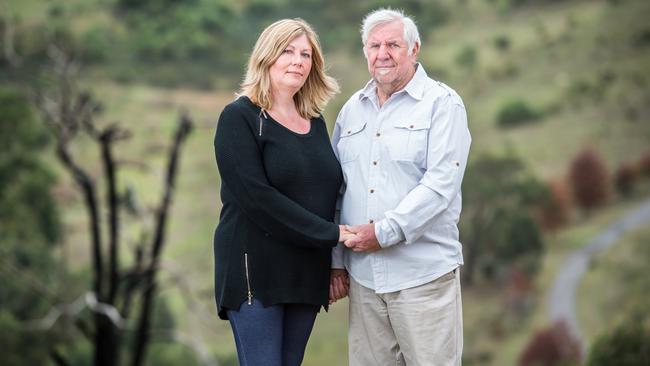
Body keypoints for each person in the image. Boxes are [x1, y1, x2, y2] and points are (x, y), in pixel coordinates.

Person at [329, 8, 472, 366]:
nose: (383, 53)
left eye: (393, 44)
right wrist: (335, 262)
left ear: (415, 49)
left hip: (422, 278)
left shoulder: (443, 105)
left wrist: (384, 232)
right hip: (363, 282)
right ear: (365, 52)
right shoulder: (351, 112)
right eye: (374, 45)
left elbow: (440, 186)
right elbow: (336, 189)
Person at [213, 18, 352, 366]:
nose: (298, 61)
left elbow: (328, 194)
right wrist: (331, 235)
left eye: (306, 54)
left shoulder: (315, 121)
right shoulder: (239, 118)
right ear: (266, 57)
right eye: (287, 51)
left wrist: (333, 265)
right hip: (255, 272)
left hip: (305, 272)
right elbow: (258, 199)